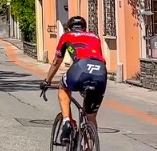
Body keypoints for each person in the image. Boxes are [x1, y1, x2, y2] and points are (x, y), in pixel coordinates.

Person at [39, 15, 108, 144]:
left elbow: (57, 61)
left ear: (69, 28)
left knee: (63, 86)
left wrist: (47, 80)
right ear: (84, 27)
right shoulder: (95, 36)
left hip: (80, 68)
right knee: (90, 116)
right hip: (100, 72)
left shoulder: (66, 36)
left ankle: (66, 121)